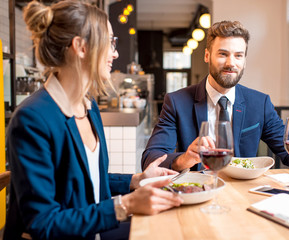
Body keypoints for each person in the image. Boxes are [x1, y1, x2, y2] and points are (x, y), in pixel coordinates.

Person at [4, 1, 182, 239]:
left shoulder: (90, 108)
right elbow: (43, 223)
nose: (115, 53)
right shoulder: (32, 119)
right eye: (110, 42)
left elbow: (86, 181)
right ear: (81, 47)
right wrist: (124, 206)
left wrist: (137, 180)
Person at [142, 20, 289, 185]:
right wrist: (183, 160)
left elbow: (286, 148)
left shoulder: (259, 103)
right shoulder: (176, 102)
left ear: (244, 60)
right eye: (222, 54)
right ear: (207, 55)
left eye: (238, 55)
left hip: (244, 194)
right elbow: (151, 158)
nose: (231, 63)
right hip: (197, 191)